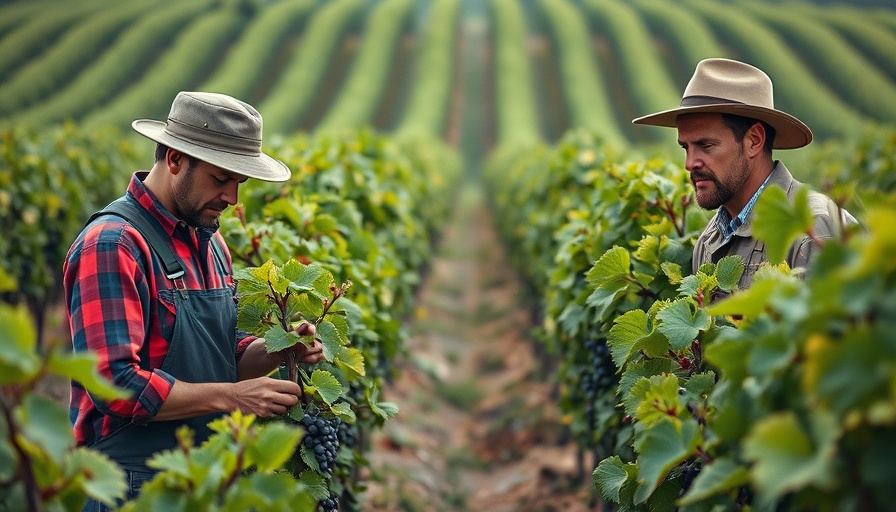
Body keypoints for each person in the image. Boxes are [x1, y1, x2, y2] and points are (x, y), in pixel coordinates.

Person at [64, 91, 323, 510]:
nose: (232, 198)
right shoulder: (114, 245)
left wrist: (276, 350)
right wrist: (235, 397)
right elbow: (113, 385)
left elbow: (216, 356)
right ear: (174, 160)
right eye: (221, 179)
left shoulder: (210, 241)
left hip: (202, 480)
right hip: (127, 489)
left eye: (239, 183)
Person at [632, 57, 856, 289]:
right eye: (685, 147)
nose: (690, 163)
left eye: (706, 146)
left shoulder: (817, 230)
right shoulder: (708, 242)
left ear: (754, 141)